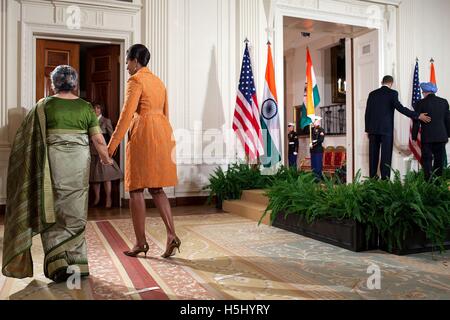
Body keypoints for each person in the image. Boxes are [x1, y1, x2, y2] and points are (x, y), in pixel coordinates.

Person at [2, 65, 113, 282]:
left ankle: (58, 263)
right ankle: (77, 265)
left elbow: (26, 139)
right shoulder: (85, 107)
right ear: (75, 84)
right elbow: (98, 139)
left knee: (52, 206)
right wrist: (106, 158)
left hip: (52, 163)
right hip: (79, 164)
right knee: (76, 208)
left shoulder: (44, 106)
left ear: (54, 84)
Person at [108, 44, 180, 259]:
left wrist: (111, 146)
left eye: (128, 62)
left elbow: (126, 115)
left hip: (144, 134)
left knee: (136, 188)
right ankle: (171, 235)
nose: (127, 67)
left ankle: (140, 242)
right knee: (157, 188)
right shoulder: (158, 81)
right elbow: (166, 113)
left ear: (135, 61)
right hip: (163, 133)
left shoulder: (136, 80)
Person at [365, 75, 431, 180]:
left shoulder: (372, 94)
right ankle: (385, 181)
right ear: (391, 83)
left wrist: (367, 129)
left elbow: (367, 112)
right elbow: (400, 108)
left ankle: (372, 179)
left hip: (373, 129)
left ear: (382, 82)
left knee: (373, 156)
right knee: (386, 157)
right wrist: (417, 115)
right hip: (386, 130)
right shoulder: (392, 93)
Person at [412, 82, 450, 181]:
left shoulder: (420, 103)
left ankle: (428, 182)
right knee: (439, 161)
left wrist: (414, 137)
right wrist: (448, 135)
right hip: (441, 136)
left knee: (427, 160)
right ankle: (438, 182)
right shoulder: (444, 102)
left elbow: (416, 121)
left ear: (424, 92)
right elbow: (448, 119)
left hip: (427, 137)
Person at [89, 103, 123, 208]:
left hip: (103, 152)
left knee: (106, 176)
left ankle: (108, 199)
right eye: (94, 108)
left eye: (98, 108)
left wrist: (109, 151)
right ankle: (97, 199)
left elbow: (112, 136)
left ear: (101, 109)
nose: (96, 110)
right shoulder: (89, 121)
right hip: (91, 152)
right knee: (95, 177)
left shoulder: (106, 121)